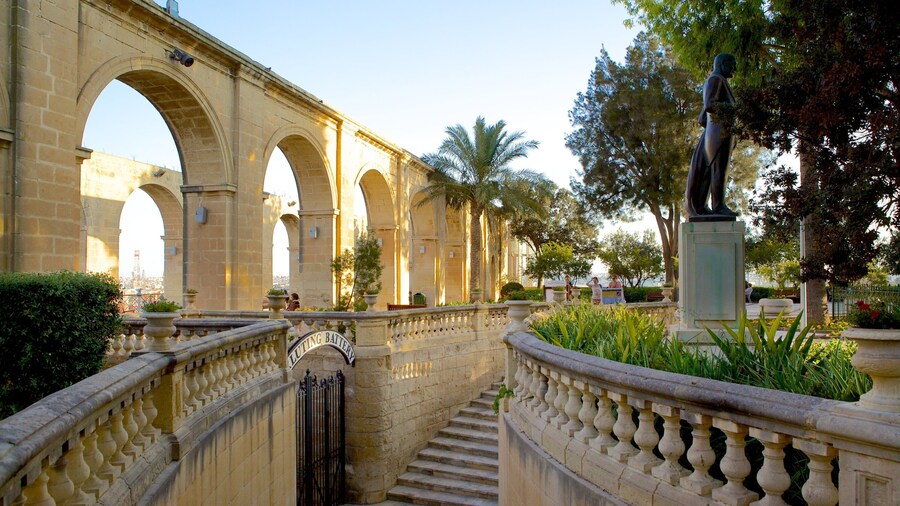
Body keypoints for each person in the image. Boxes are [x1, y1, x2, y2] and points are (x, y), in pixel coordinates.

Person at [685, 53, 739, 219]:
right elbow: (709, 104)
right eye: (732, 65)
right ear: (722, 64)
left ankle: (704, 205)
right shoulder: (716, 80)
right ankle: (718, 206)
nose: (734, 69)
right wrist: (734, 110)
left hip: (718, 132)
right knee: (719, 169)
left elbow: (702, 119)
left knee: (715, 170)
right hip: (719, 134)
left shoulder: (719, 81)